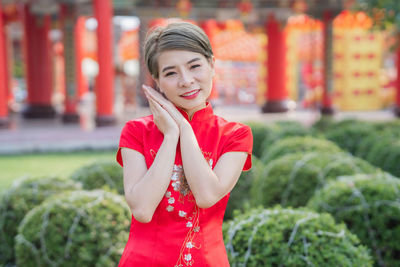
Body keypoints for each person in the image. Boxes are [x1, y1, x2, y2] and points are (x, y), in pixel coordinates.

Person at [116, 21, 253, 267]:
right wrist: (170, 135)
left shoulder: (234, 135)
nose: (186, 80)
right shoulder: (136, 132)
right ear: (156, 81)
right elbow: (143, 209)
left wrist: (183, 128)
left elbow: (207, 195)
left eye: (194, 66)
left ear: (212, 65)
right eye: (171, 73)